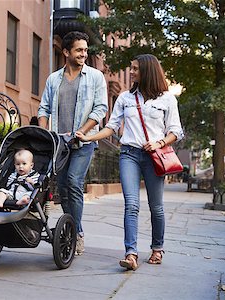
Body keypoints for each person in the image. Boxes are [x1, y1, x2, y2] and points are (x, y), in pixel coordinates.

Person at [76, 54, 184, 270]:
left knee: (157, 207)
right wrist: (89, 137)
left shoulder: (167, 99)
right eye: (131, 68)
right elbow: (112, 126)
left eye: (135, 69)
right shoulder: (126, 98)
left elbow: (176, 131)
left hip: (154, 157)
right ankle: (131, 253)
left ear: (148, 72)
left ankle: (157, 248)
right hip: (129, 155)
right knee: (131, 205)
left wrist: (159, 142)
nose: (131, 72)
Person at [38, 31, 108, 255]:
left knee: (74, 182)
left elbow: (101, 109)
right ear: (66, 52)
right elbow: (44, 109)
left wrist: (82, 132)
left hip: (83, 142)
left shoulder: (96, 77)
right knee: (63, 189)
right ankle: (69, 228)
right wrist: (44, 134)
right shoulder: (53, 79)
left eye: (86, 50)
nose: (84, 54)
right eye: (79, 50)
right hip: (59, 144)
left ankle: (77, 233)